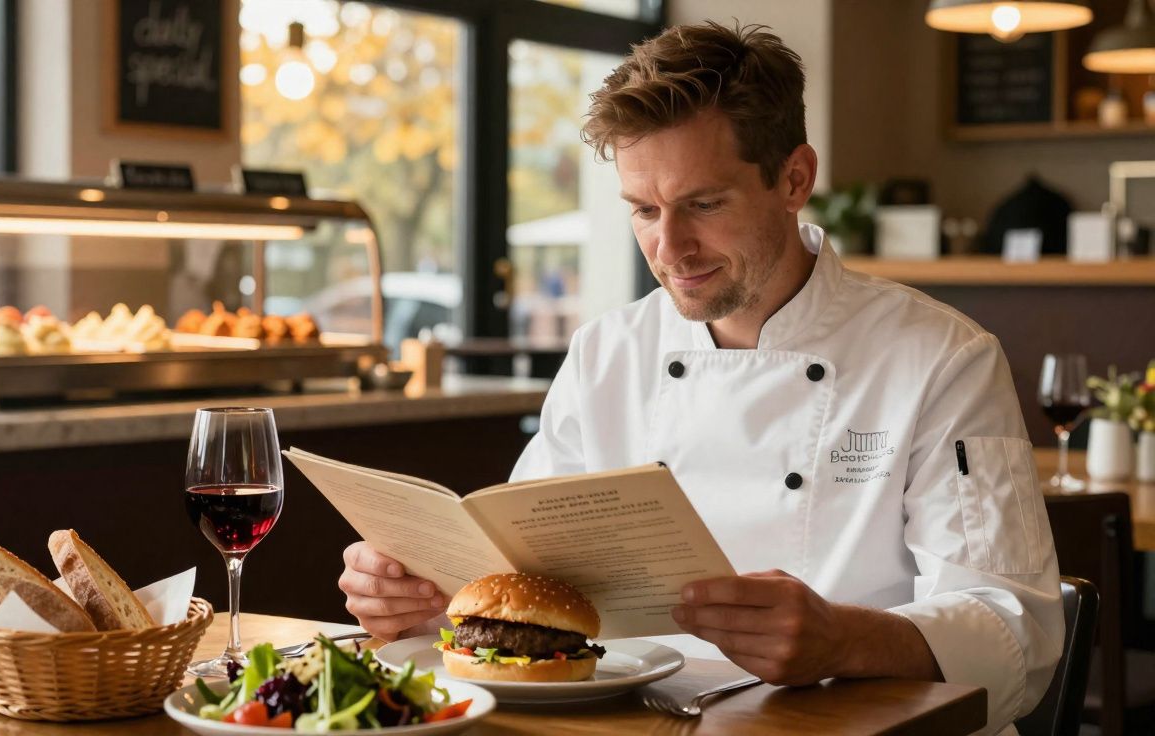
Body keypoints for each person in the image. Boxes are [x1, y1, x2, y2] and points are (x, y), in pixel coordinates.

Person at [339, 21, 1062, 734]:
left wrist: (842, 639)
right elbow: (530, 581)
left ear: (794, 178)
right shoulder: (606, 354)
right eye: (643, 210)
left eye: (703, 205)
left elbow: (1015, 633)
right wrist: (430, 600)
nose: (669, 247)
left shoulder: (942, 357)